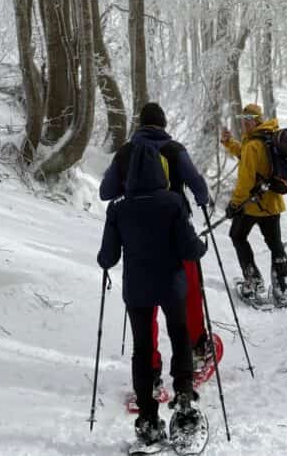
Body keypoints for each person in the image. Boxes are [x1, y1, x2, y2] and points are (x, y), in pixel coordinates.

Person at [97, 136, 207, 447]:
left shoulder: (119, 208)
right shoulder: (172, 203)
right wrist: (201, 246)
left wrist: (105, 260)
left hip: (137, 290)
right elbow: (189, 248)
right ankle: (184, 402)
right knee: (180, 335)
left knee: (143, 349)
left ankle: (147, 418)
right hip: (171, 286)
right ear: (161, 171)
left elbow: (108, 257)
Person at [100, 102, 213, 386]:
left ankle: (150, 369)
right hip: (176, 231)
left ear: (139, 125)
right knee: (186, 294)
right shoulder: (174, 149)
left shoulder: (126, 152)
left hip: (137, 235)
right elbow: (197, 184)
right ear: (163, 125)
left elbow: (106, 192)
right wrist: (201, 202)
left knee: (144, 301)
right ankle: (197, 348)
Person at [221, 102, 287, 303]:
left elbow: (245, 180)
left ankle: (253, 282)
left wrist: (234, 204)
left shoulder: (253, 145)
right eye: (242, 120)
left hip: (252, 205)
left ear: (256, 120)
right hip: (272, 203)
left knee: (237, 235)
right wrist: (229, 143)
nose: (244, 124)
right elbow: (246, 156)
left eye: (248, 120)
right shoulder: (269, 137)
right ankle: (282, 289)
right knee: (275, 245)